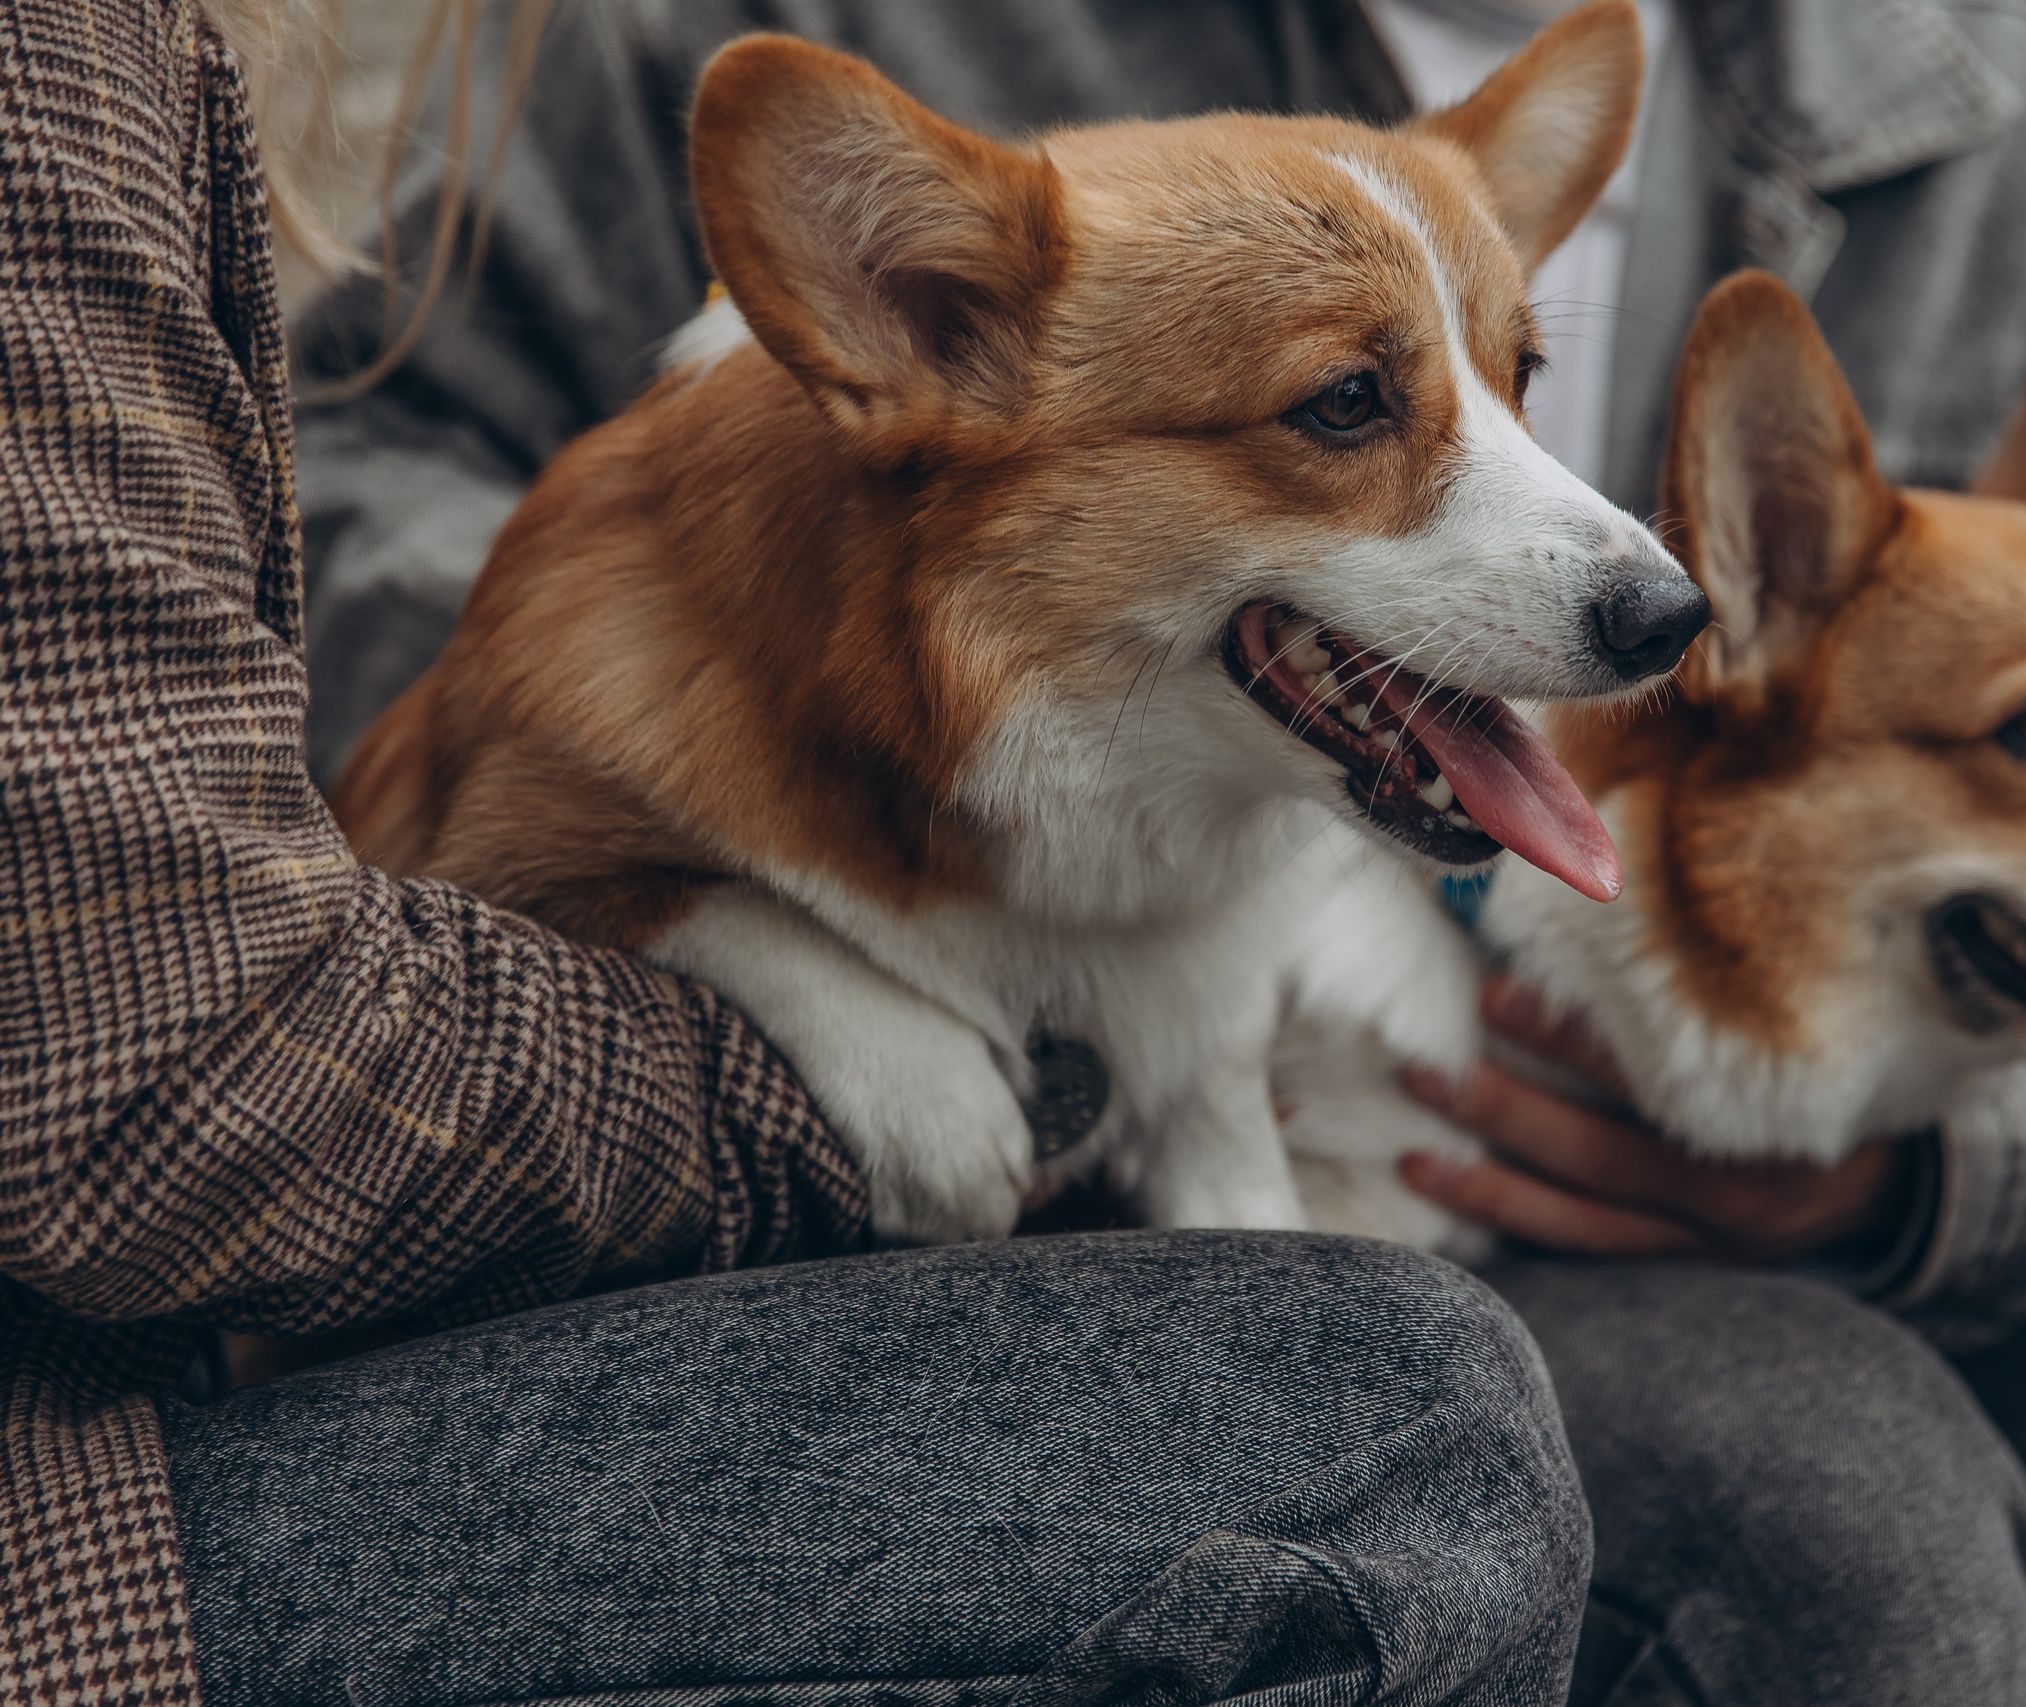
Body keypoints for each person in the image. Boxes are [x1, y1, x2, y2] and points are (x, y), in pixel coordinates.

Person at [287, 2, 2026, 1704]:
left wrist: (1934, 1178)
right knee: (1837, 1522)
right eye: (1355, 400)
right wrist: (840, 786)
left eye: (1508, 371)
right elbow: (344, 478)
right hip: (1275, 1136)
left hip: (1840, 1109)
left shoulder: (1965, 69)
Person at [0, 5, 1595, 1706]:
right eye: (1349, 402)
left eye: (1516, 377)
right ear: (923, 315)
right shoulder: (63, 82)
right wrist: (814, 1092)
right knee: (1406, 1431)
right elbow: (174, 1078)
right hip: (131, 1495)